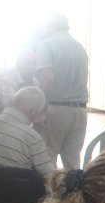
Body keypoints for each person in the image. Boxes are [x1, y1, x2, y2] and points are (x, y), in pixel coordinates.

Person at [36, 13, 89, 170]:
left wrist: (41, 110)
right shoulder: (79, 47)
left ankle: (50, 188)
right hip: (80, 110)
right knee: (72, 162)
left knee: (47, 159)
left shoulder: (46, 45)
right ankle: (72, 187)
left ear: (48, 28)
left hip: (56, 109)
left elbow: (47, 78)